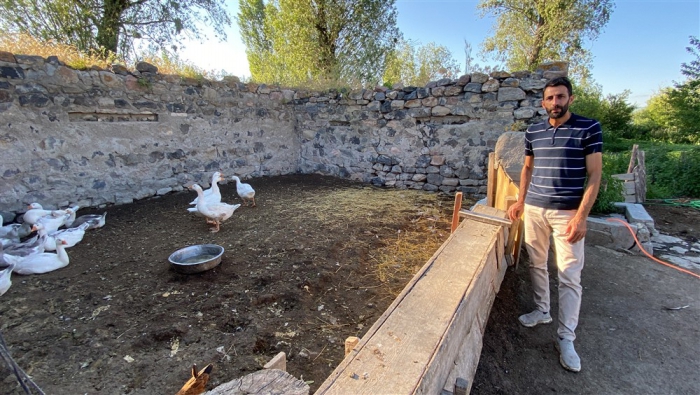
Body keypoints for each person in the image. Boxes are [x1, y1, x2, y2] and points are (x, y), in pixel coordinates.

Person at [507, 76, 603, 373]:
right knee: (536, 264)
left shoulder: (588, 128)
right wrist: (521, 201)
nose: (555, 103)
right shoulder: (534, 130)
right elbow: (527, 168)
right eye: (550, 98)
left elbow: (595, 175)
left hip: (567, 213)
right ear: (543, 102)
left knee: (569, 275)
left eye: (560, 97)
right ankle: (542, 310)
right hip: (535, 208)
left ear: (570, 98)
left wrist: (582, 216)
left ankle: (566, 338)